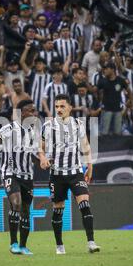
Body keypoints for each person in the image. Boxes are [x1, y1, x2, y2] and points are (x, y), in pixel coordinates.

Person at [39, 94, 100, 255]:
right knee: (58, 209)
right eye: (57, 106)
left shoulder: (78, 124)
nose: (59, 109)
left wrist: (90, 165)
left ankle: (91, 242)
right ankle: (59, 245)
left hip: (75, 173)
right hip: (56, 174)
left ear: (70, 108)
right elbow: (41, 146)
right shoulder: (48, 125)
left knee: (85, 204)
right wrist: (43, 157)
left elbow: (86, 145)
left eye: (62, 106)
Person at [0, 99, 38, 255]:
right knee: (16, 203)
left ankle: (23, 246)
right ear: (22, 113)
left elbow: (37, 154)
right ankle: (13, 243)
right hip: (10, 172)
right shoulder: (8, 129)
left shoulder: (34, 131)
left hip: (27, 176)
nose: (34, 113)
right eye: (30, 111)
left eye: (34, 110)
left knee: (25, 210)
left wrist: (44, 160)